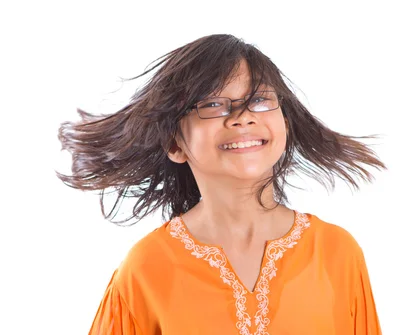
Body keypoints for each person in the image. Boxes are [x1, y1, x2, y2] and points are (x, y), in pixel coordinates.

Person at [57, 34, 386, 335]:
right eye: (213, 104)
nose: (243, 117)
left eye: (258, 99)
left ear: (284, 125)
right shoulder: (145, 268)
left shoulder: (337, 253)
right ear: (175, 144)